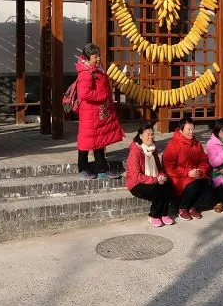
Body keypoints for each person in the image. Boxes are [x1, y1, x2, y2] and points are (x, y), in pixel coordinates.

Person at [75, 43, 124, 179]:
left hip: (97, 112)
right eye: (94, 56)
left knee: (99, 141)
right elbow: (84, 94)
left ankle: (102, 168)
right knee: (87, 141)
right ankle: (83, 168)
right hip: (90, 113)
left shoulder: (95, 68)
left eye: (98, 55)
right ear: (87, 58)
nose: (98, 59)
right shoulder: (86, 72)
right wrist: (102, 96)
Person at [162, 116, 215, 221]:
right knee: (194, 184)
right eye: (188, 129)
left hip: (195, 175)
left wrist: (200, 171)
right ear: (181, 130)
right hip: (178, 177)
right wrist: (188, 173)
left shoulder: (197, 144)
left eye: (193, 129)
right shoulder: (173, 145)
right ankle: (182, 207)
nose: (191, 132)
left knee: (208, 184)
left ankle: (193, 207)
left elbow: (204, 161)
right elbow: (169, 167)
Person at [126, 122, 175, 228]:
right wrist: (155, 179)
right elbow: (136, 175)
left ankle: (164, 214)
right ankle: (153, 215)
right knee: (158, 188)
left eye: (152, 134)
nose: (150, 137)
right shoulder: (135, 151)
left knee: (167, 184)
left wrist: (162, 176)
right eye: (147, 134)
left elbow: (159, 168)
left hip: (152, 179)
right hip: (136, 184)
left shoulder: (153, 149)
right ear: (140, 136)